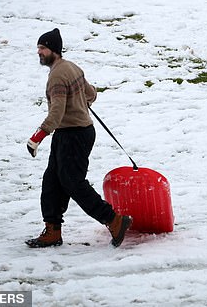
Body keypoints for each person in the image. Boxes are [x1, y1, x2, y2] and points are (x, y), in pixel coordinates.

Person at [25, 28, 132, 248]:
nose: (39, 52)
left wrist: (38, 135)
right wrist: (79, 101)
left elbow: (56, 112)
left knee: (73, 183)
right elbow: (91, 94)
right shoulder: (72, 67)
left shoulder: (56, 76)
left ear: (54, 49)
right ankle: (53, 230)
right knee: (52, 181)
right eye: (38, 48)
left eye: (43, 48)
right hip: (75, 133)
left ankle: (114, 220)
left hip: (73, 135)